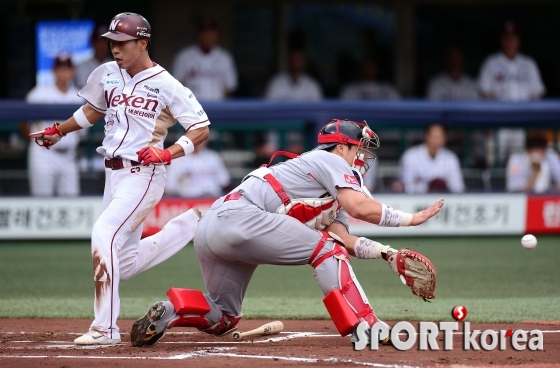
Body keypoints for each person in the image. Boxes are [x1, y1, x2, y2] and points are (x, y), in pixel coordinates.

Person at [130, 119, 442, 348]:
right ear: (342, 146)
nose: (363, 157)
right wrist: (411, 219)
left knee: (224, 317)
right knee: (324, 252)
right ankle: (368, 326)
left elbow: (342, 242)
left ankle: (168, 311)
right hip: (241, 217)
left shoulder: (337, 188)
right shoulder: (330, 159)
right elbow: (359, 209)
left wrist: (386, 252)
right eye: (359, 149)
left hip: (213, 225)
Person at [28, 12, 210, 345]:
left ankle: (104, 329)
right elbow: (92, 111)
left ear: (142, 43)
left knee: (103, 234)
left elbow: (200, 128)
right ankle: (187, 227)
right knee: (120, 263)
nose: (115, 49)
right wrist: (59, 131)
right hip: (113, 173)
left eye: (122, 43)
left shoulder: (166, 83)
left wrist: (169, 152)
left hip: (144, 173)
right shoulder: (107, 73)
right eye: (112, 42)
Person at [478, 21, 546, 164]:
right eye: (506, 37)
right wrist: (487, 123)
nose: (510, 41)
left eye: (513, 37)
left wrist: (535, 125)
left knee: (521, 166)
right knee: (494, 166)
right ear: (501, 40)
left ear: (518, 40)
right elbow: (483, 95)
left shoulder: (529, 64)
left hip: (523, 124)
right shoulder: (491, 63)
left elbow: (537, 96)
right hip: (498, 124)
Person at [24, 52, 85, 196]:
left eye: (67, 68)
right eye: (60, 68)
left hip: (69, 155)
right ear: (54, 71)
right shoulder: (38, 94)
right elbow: (23, 119)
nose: (64, 72)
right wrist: (34, 141)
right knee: (42, 201)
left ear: (73, 71)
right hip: (44, 155)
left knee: (71, 202)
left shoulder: (78, 97)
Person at [172, 17, 237, 101]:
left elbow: (230, 87)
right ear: (198, 34)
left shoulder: (225, 57)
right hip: (191, 108)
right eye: (204, 32)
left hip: (218, 107)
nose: (207, 35)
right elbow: (176, 85)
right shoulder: (184, 56)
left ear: (216, 34)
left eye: (210, 32)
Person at [398, 124, 465, 194]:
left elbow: (458, 187)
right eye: (435, 136)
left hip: (444, 200)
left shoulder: (451, 158)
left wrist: (443, 186)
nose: (437, 140)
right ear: (426, 137)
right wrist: (427, 187)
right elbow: (404, 185)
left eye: (440, 136)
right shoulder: (411, 156)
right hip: (416, 200)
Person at [165, 140, 230, 197]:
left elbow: (224, 182)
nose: (197, 142)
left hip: (212, 200)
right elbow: (169, 188)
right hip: (186, 200)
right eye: (195, 138)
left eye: (201, 138)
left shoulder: (213, 156)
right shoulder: (177, 158)